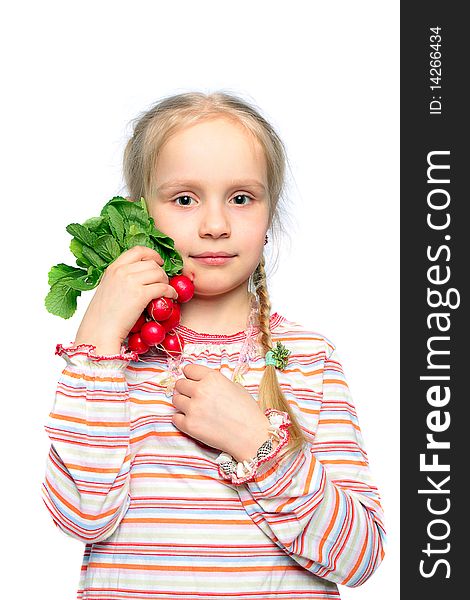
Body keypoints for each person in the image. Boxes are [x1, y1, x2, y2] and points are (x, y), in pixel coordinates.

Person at [41, 91, 386, 599]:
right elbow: (81, 515)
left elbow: (357, 557)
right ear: (141, 215)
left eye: (241, 197)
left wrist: (258, 445)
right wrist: (95, 338)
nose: (216, 224)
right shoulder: (109, 362)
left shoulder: (309, 360)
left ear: (270, 215)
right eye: (184, 198)